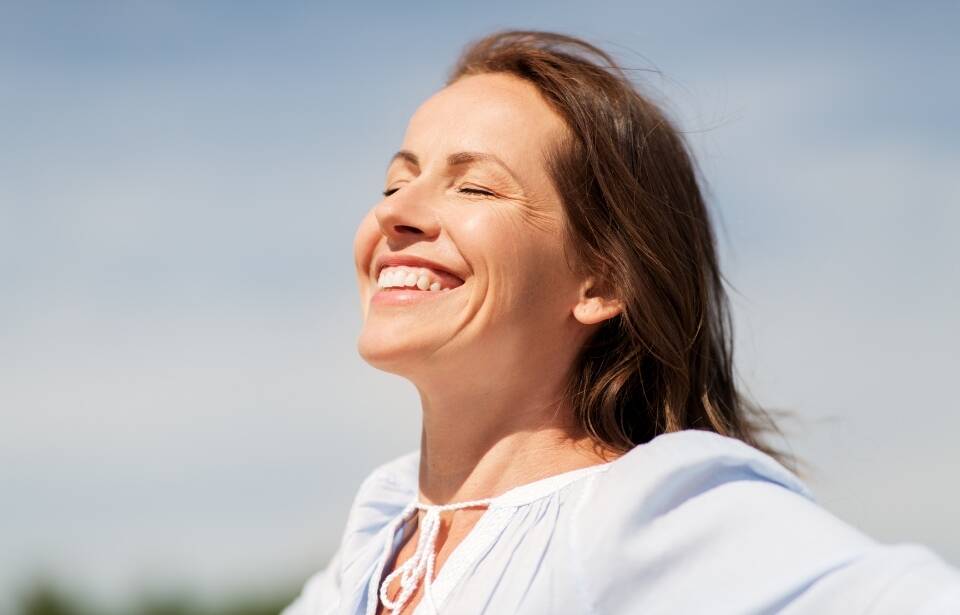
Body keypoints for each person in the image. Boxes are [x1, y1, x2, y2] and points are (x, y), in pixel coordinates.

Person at [282, 30, 960, 614]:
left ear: (601, 280)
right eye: (396, 182)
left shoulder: (636, 512)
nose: (396, 213)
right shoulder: (375, 541)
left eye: (476, 186)